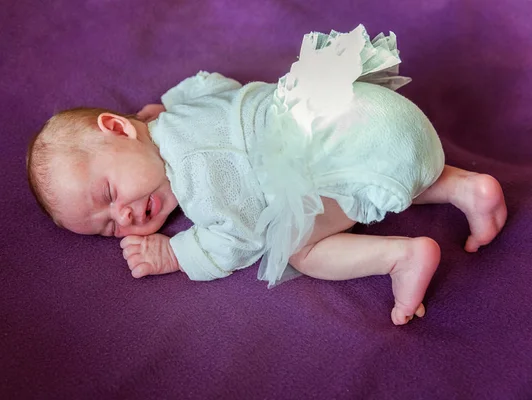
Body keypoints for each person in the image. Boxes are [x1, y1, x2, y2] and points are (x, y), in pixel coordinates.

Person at [26, 25, 507, 325]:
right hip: (377, 113)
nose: (125, 215)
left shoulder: (197, 186)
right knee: (363, 169)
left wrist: (174, 252)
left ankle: (400, 257)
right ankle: (467, 186)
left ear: (118, 128)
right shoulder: (181, 112)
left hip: (358, 144)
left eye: (109, 193)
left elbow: (238, 238)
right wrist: (164, 108)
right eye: (109, 226)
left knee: (297, 246)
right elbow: (211, 82)